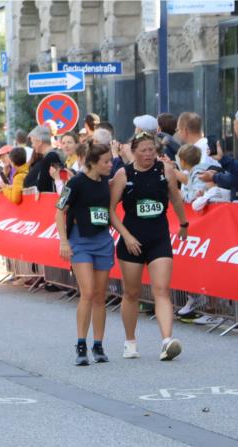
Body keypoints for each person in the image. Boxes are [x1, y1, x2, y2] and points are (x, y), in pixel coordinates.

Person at [109, 132, 190, 361]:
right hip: (132, 241)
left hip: (159, 237)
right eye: (143, 150)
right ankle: (130, 341)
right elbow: (111, 210)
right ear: (133, 152)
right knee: (132, 293)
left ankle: (167, 341)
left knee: (162, 290)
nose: (148, 155)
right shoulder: (124, 174)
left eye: (151, 150)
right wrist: (126, 236)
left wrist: (183, 223)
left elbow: (175, 197)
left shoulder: (164, 170)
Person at [56, 143, 114, 366]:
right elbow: (59, 211)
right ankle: (81, 344)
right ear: (92, 162)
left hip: (102, 240)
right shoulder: (76, 182)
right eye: (106, 161)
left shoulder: (105, 183)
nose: (110, 165)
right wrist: (63, 241)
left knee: (100, 295)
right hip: (80, 242)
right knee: (87, 292)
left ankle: (98, 345)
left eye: (110, 161)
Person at [23, 125, 65, 193]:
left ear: (39, 142)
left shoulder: (51, 157)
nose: (32, 145)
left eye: (33, 142)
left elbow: (62, 179)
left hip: (51, 200)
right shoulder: (50, 156)